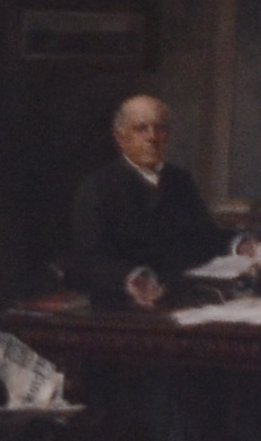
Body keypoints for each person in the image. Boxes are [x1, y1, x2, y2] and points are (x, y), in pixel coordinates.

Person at [65, 96, 227, 309]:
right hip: (120, 309)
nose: (152, 137)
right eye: (141, 128)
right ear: (121, 138)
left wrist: (238, 244)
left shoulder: (180, 180)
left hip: (180, 301)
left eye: (159, 128)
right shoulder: (98, 187)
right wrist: (133, 277)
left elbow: (205, 237)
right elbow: (88, 262)